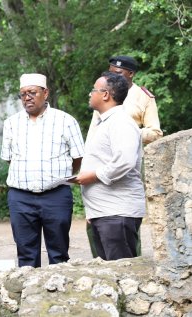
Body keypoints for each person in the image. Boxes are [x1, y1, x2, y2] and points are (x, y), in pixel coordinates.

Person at [0, 73, 84, 268]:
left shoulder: (66, 121)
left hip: (56, 196)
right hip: (21, 198)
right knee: (26, 255)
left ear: (45, 93)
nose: (27, 97)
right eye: (22, 94)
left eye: (32, 92)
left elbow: (78, 157)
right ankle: (28, 296)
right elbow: (9, 159)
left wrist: (58, 178)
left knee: (59, 254)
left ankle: (59, 296)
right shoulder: (11, 123)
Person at [86, 55, 163, 258]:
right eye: (111, 71)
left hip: (125, 168)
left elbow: (155, 132)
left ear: (131, 74)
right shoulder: (101, 103)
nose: (113, 75)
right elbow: (94, 134)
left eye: (118, 73)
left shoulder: (142, 96)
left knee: (121, 244)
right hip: (101, 174)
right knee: (101, 243)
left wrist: (130, 135)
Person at [74, 72, 145, 261]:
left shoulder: (121, 122)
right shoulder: (103, 122)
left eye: (93, 90)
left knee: (123, 273)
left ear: (105, 94)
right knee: (109, 273)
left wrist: (93, 176)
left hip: (117, 213)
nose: (90, 94)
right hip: (104, 212)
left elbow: (125, 162)